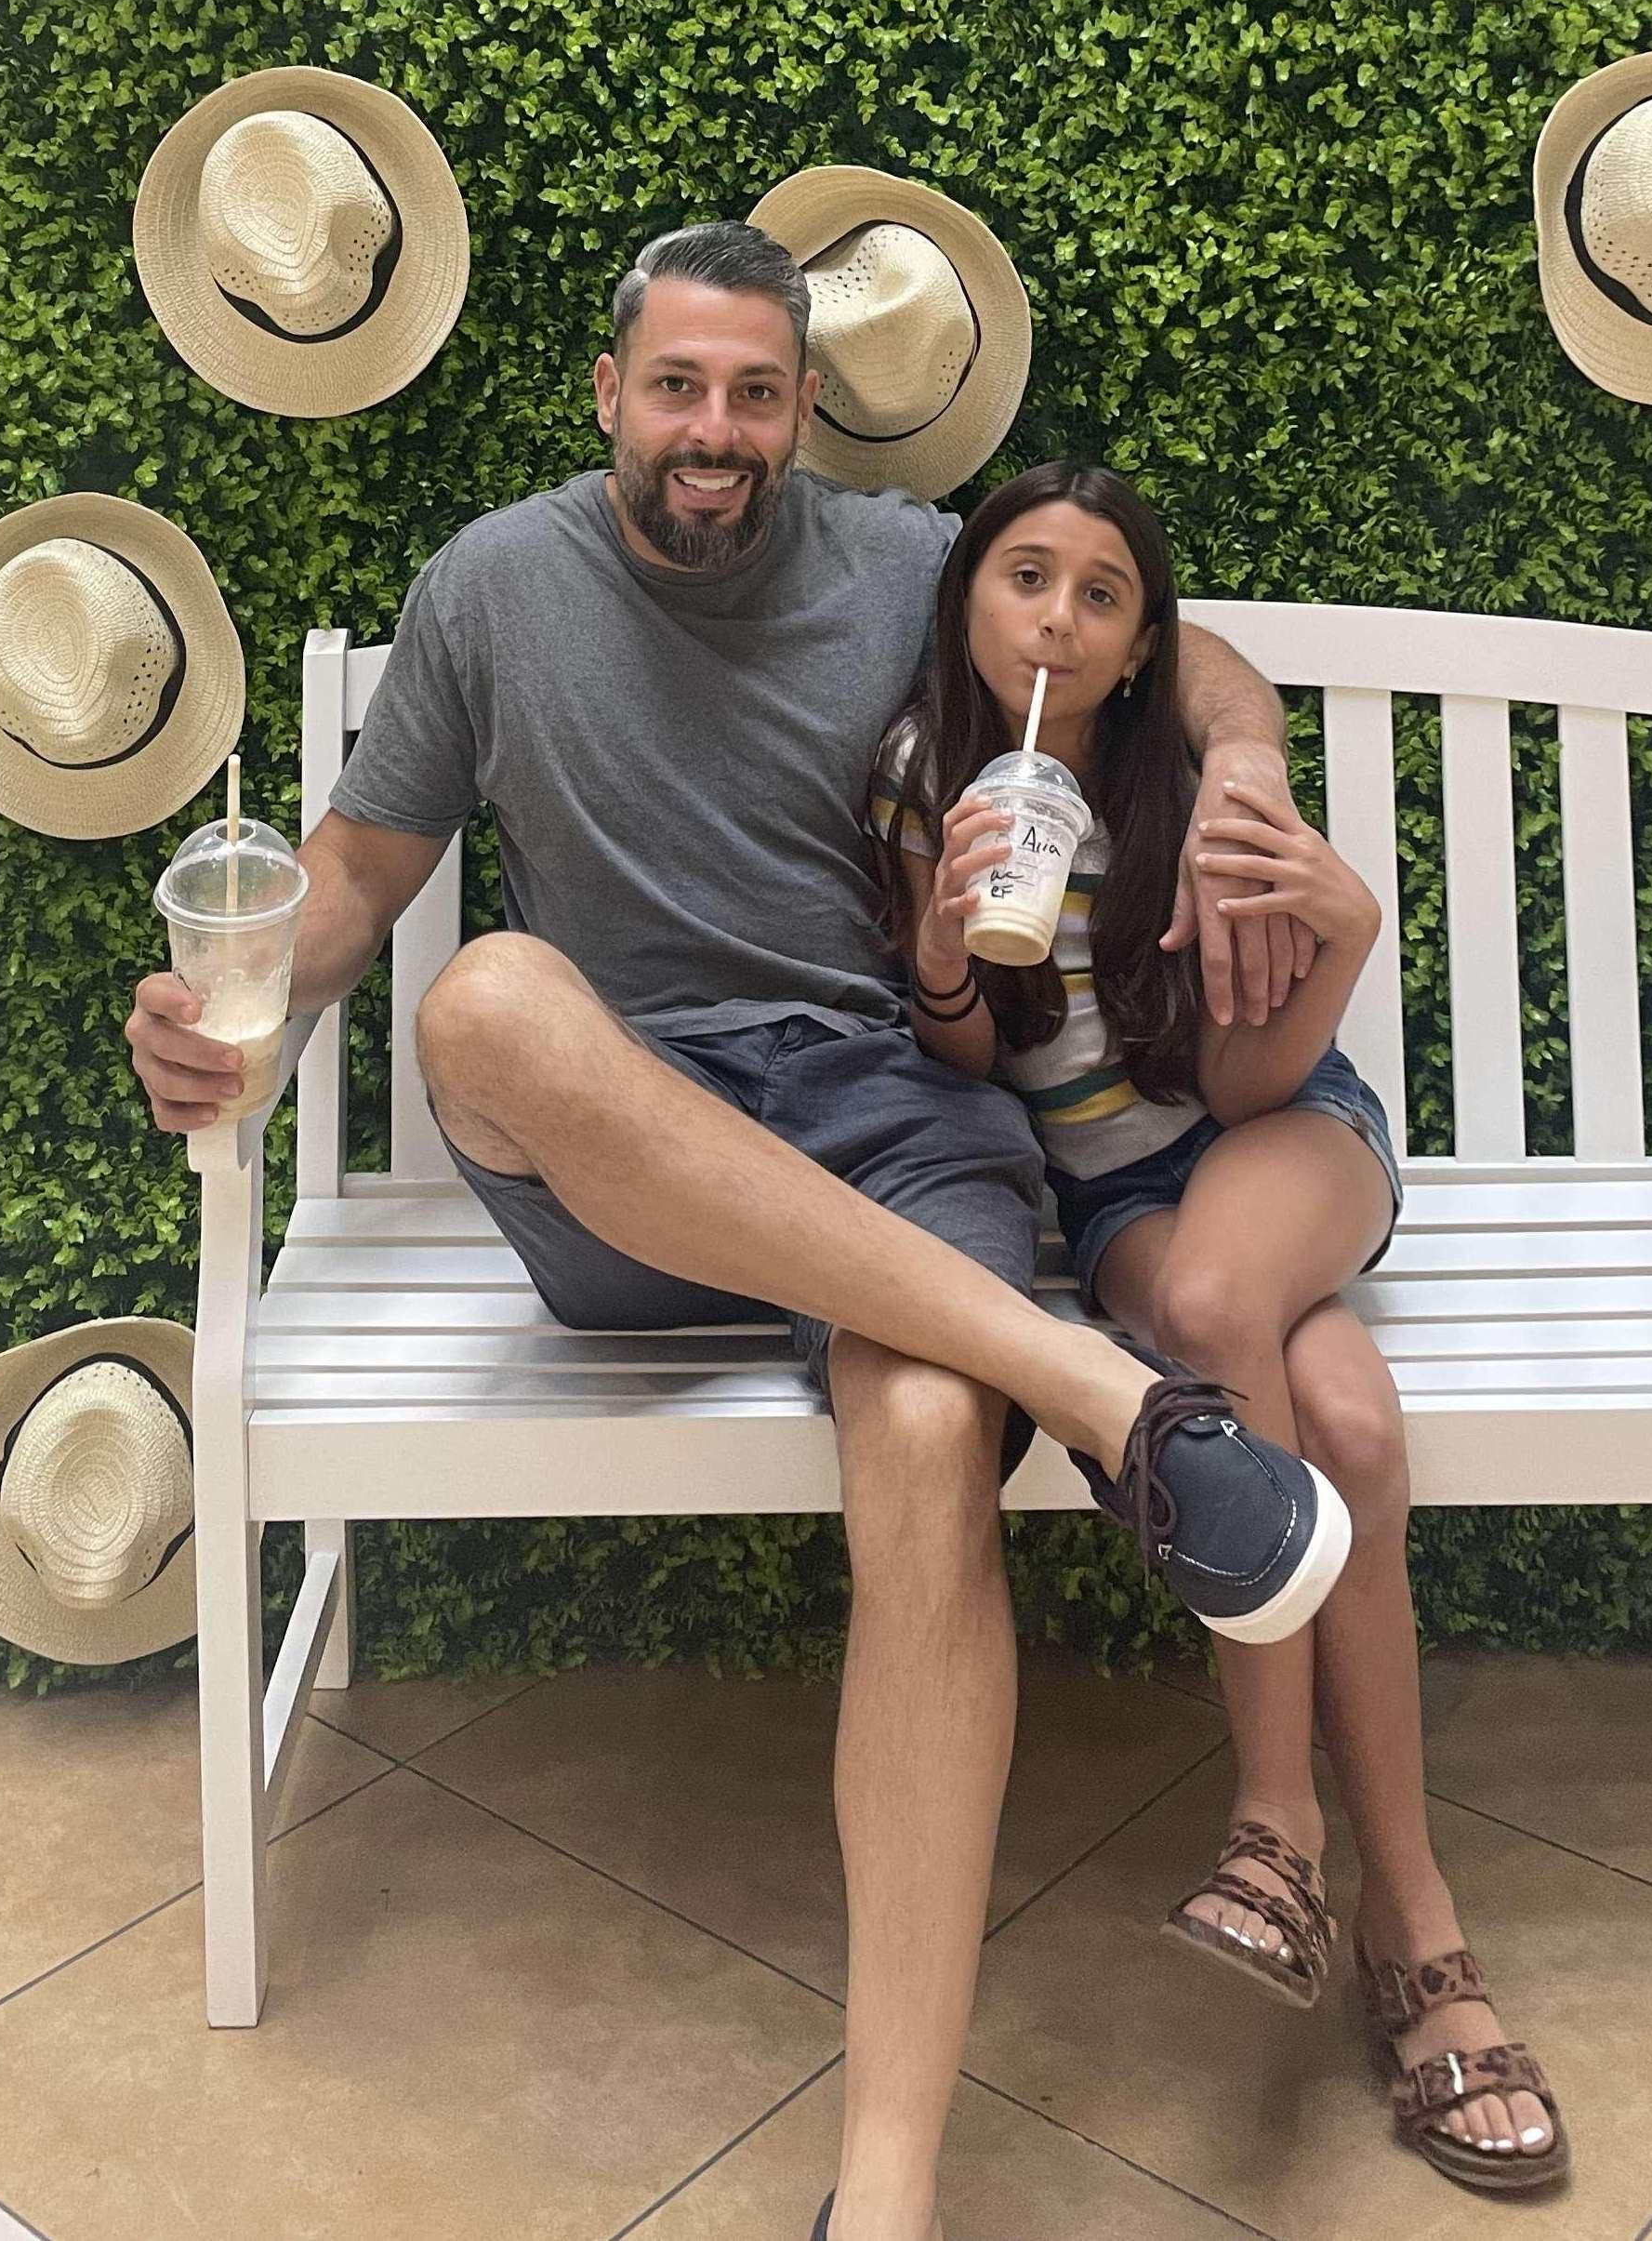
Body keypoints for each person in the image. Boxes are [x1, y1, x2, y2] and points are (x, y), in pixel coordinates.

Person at [126, 225, 1354, 2241]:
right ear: (609, 391)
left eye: (757, 394)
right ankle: (1111, 1398)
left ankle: (885, 2187)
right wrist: (229, 1015)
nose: (716, 429)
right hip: (630, 1142)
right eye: (680, 385)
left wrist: (1241, 757)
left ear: (801, 412)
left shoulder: (902, 564)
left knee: (928, 1426)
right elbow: (354, 867)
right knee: (486, 997)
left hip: (892, 1109)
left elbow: (1169, 643)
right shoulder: (491, 585)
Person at [870, 461, 1569, 2197]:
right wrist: (946, 949)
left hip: (1279, 1139)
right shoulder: (919, 775)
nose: (1057, 615)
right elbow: (971, 1059)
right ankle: (1419, 1931)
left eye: (1101, 593)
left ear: (1140, 646)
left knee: (1208, 1302)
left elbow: (1248, 1081)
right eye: (1025, 576)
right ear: (968, 600)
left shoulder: (1192, 802)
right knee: (1352, 1426)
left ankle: (1276, 1829)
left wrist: (1342, 937)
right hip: (1111, 1193)